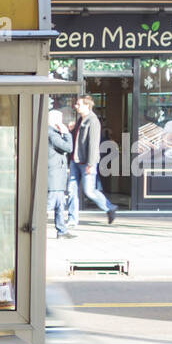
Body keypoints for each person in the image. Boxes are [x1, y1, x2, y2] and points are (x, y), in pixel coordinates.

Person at [69, 95, 118, 225]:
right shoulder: (80, 120)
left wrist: (90, 164)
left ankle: (109, 207)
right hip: (75, 160)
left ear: (87, 105)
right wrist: (71, 131)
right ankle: (72, 219)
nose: (76, 106)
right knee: (71, 190)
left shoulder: (93, 120)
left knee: (89, 191)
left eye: (79, 104)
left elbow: (93, 144)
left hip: (86, 162)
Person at [46, 109, 75, 239]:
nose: (62, 123)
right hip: (54, 176)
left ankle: (62, 231)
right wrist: (67, 133)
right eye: (60, 120)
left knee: (60, 205)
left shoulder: (51, 133)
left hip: (56, 176)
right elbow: (68, 148)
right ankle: (36, 228)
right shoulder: (52, 135)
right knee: (49, 205)